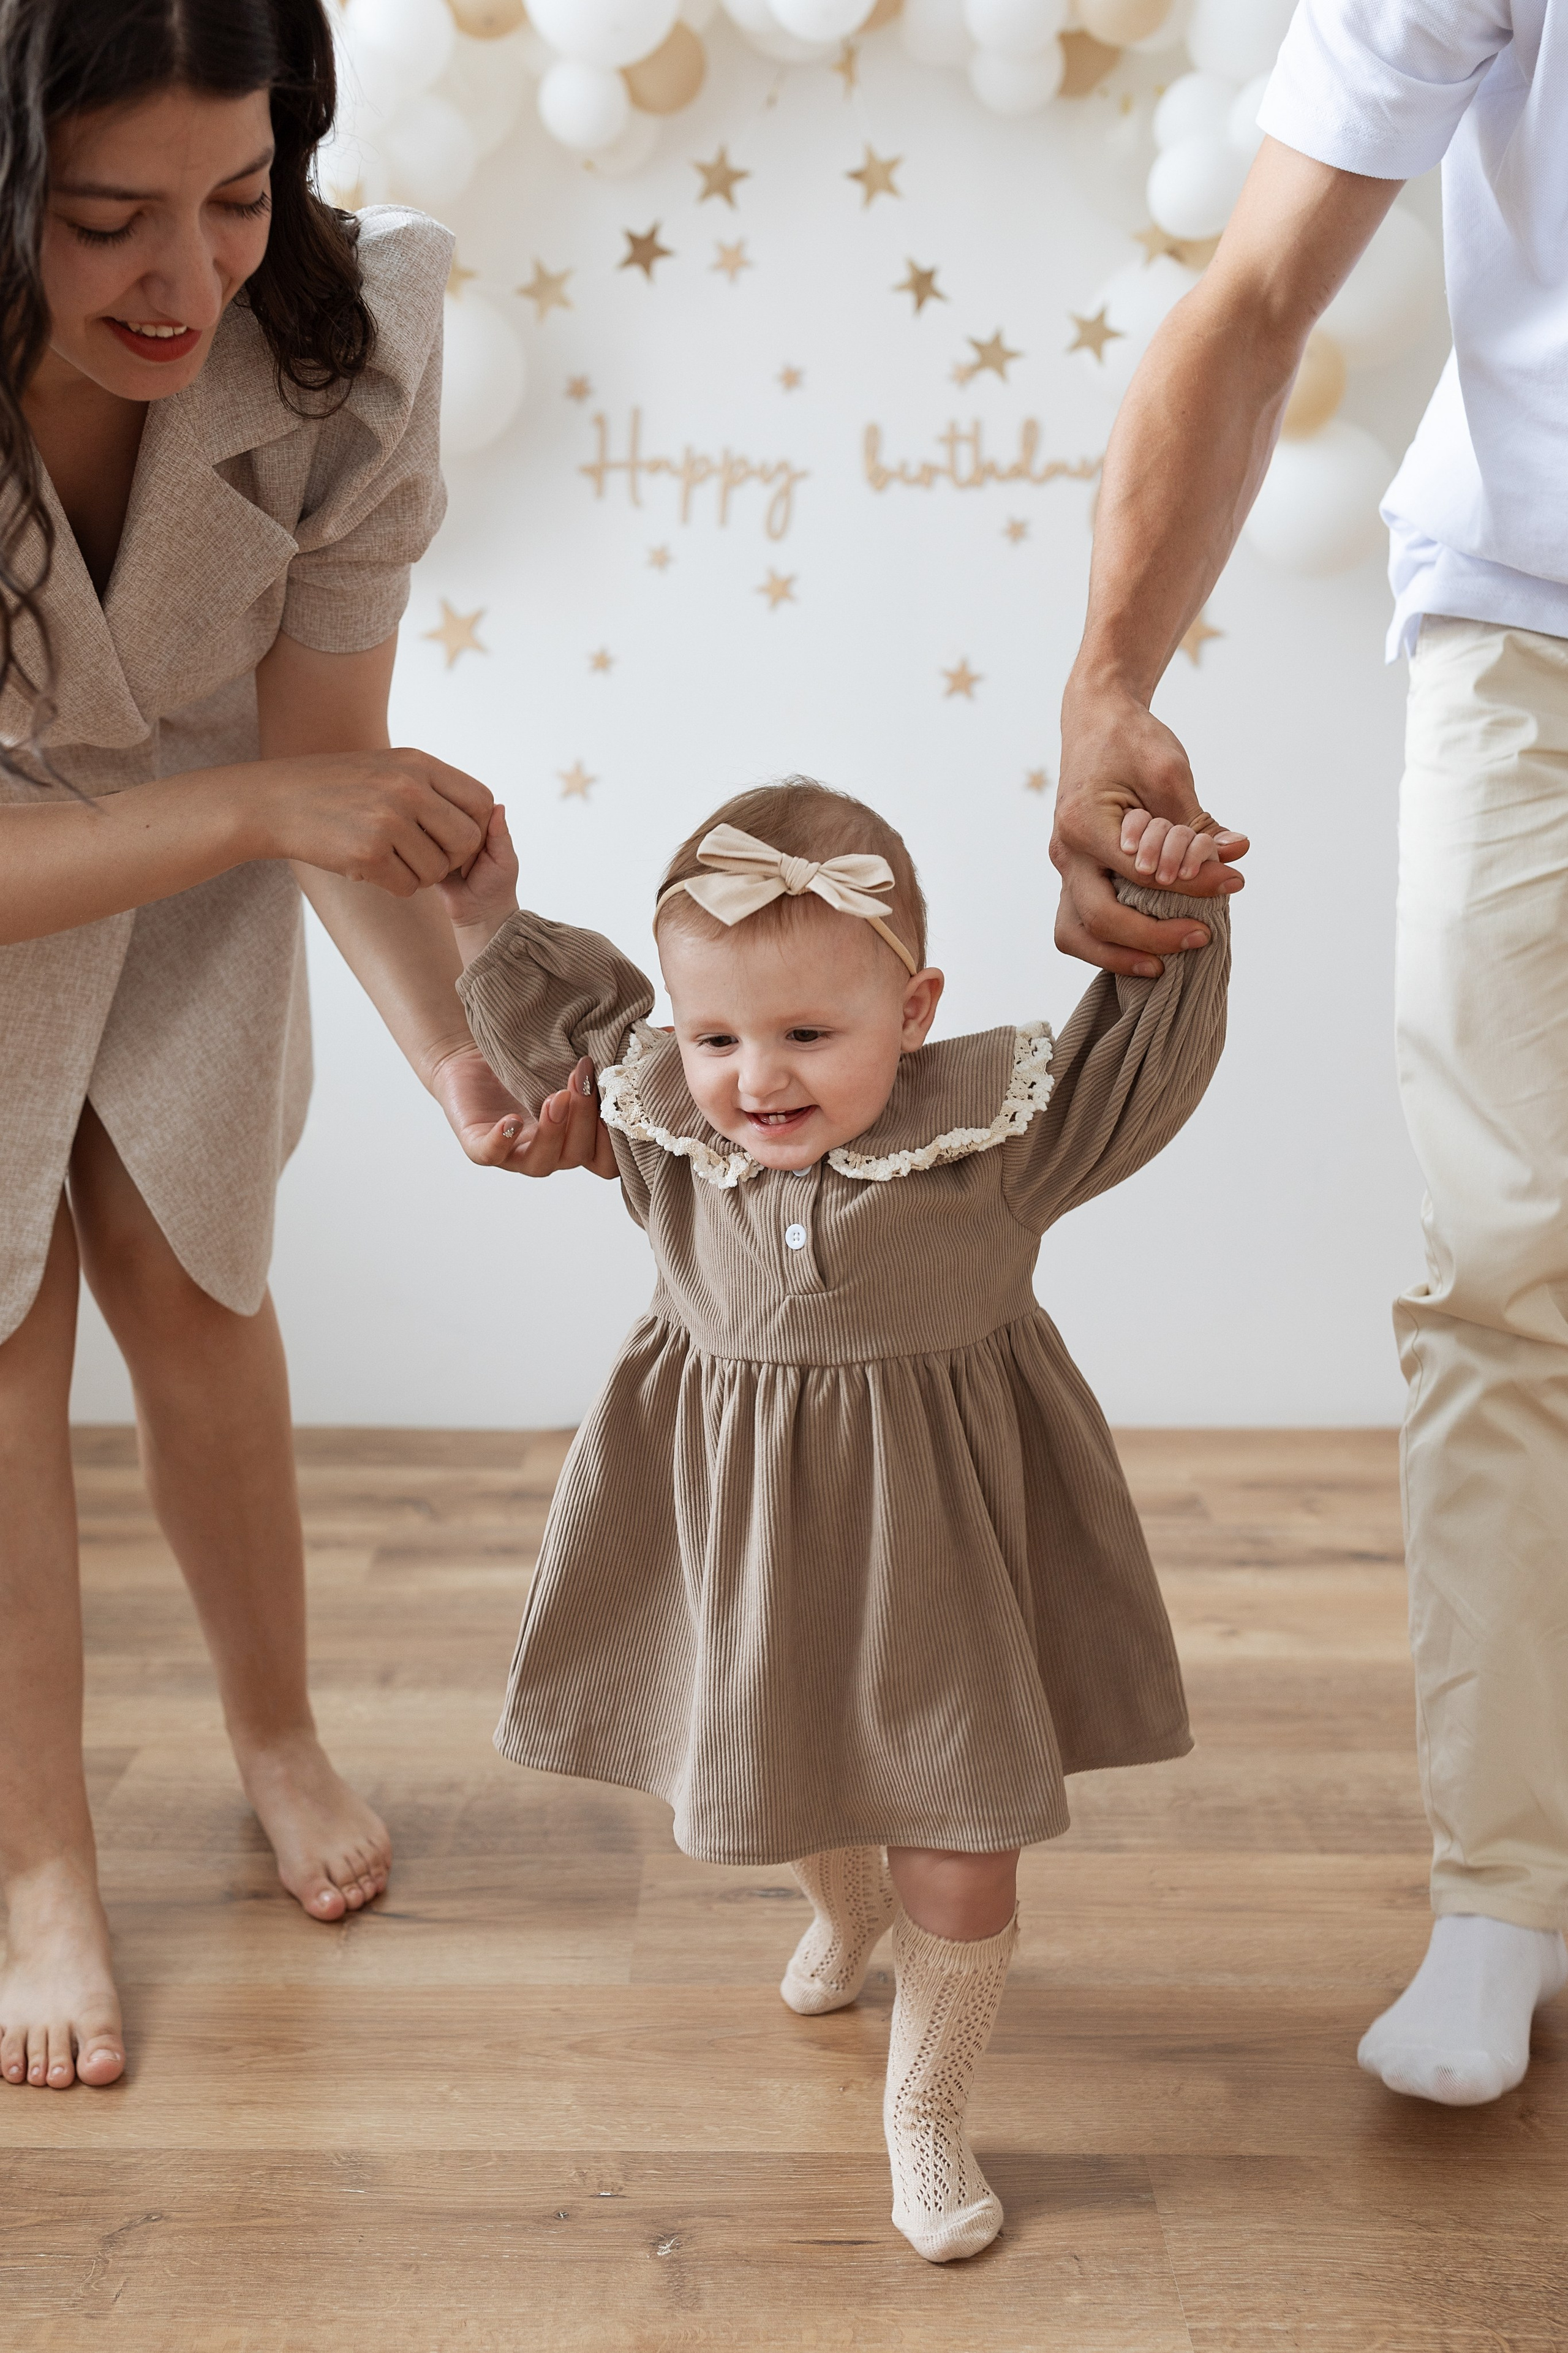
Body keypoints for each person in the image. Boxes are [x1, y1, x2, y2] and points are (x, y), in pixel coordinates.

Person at [0, 0, 610, 2098]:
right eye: (105, 223)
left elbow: (324, 766)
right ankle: (39, 1863)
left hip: (197, 835)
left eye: (240, 196)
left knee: (199, 1282)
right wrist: (268, 815)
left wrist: (458, 1049)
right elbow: (285, 799)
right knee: (0, 1341)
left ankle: (276, 1732)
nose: (188, 279)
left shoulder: (348, 345)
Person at [440, 774, 1232, 2259]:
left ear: (914, 1008)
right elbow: (573, 1027)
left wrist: (1173, 901)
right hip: (748, 1543)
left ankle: (924, 2106)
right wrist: (487, 906)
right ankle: (846, 1912)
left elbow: (1138, 1071)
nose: (758, 1076)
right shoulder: (660, 1126)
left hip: (942, 1553)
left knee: (960, 1835)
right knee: (801, 1762)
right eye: (718, 1034)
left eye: (810, 1033)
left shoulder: (993, 1139)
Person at [1052, 0, 1568, 2106]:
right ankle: (1505, 1889)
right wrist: (1108, 683)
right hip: (1538, 618)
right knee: (1507, 1258)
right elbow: (1260, 290)